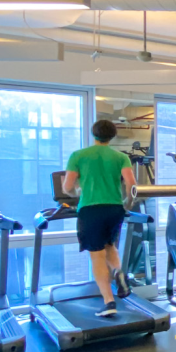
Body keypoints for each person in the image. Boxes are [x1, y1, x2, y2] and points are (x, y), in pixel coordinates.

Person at [63, 119, 138, 318]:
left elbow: (67, 187)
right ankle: (119, 272)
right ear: (112, 136)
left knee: (97, 255)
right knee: (109, 245)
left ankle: (108, 302)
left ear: (93, 133)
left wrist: (77, 193)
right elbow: (132, 184)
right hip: (114, 208)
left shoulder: (78, 155)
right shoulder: (121, 157)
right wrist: (127, 203)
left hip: (90, 209)